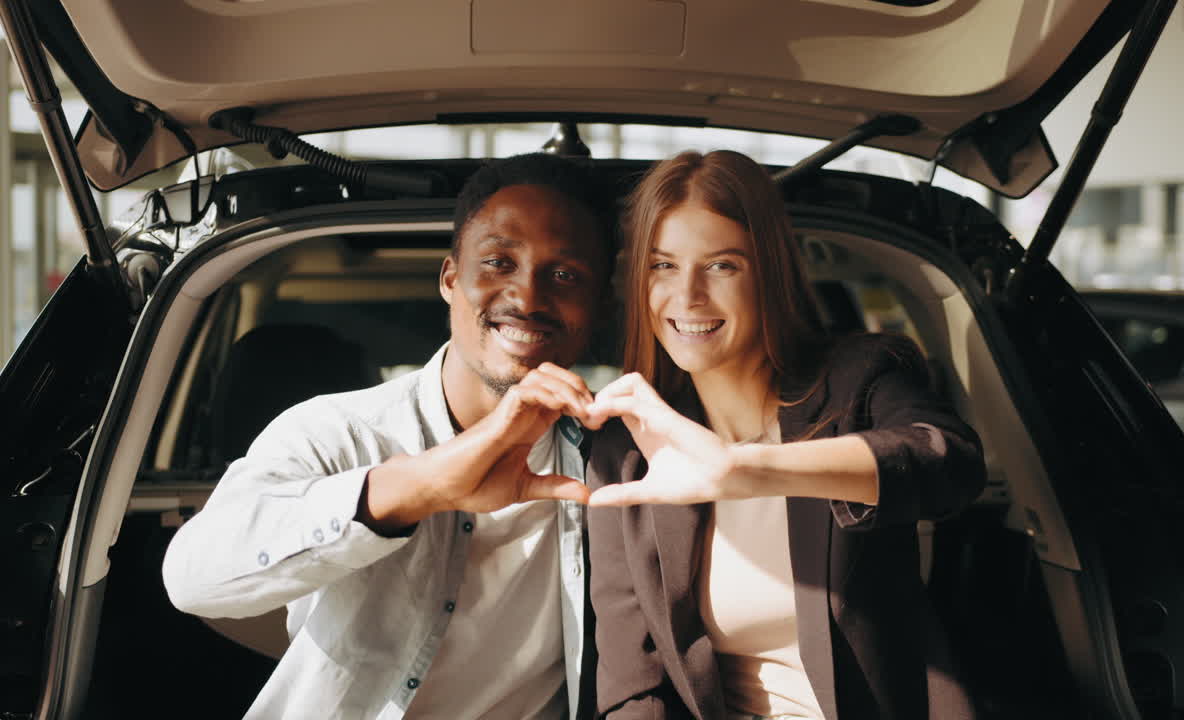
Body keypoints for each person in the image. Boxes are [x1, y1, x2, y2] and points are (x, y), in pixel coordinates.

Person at [163, 153, 616, 720]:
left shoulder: (621, 461)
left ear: (596, 306)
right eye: (499, 262)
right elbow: (193, 579)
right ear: (451, 279)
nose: (526, 297)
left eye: (565, 274)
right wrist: (417, 488)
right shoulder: (338, 430)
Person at [582, 150, 987, 719]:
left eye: (721, 265)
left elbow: (949, 460)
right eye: (663, 266)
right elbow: (633, 683)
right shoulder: (626, 451)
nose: (688, 295)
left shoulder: (858, 379)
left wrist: (741, 469)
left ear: (769, 271)